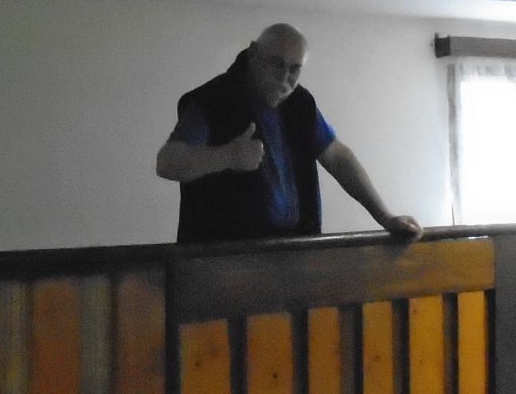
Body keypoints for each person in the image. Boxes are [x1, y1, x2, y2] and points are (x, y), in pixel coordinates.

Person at [156, 23, 423, 244]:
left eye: (295, 69)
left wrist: (386, 217)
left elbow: (338, 158)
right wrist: (227, 156)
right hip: (222, 261)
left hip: (295, 254)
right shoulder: (212, 100)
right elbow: (167, 163)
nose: (285, 78)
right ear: (253, 53)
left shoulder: (301, 104)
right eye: (276, 64)